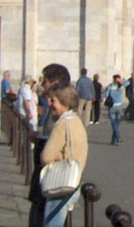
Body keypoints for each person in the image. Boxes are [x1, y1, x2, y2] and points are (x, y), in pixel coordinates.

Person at [35, 84, 89, 227]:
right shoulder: (77, 121)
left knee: (52, 223)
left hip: (60, 182)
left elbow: (46, 156)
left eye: (53, 101)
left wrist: (56, 155)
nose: (50, 104)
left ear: (64, 103)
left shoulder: (62, 124)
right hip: (74, 179)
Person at [103, 75, 126, 145]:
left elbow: (106, 94)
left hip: (112, 106)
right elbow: (128, 82)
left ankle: (118, 138)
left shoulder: (110, 86)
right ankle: (113, 140)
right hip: (119, 107)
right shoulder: (121, 86)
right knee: (117, 124)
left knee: (114, 124)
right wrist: (122, 81)